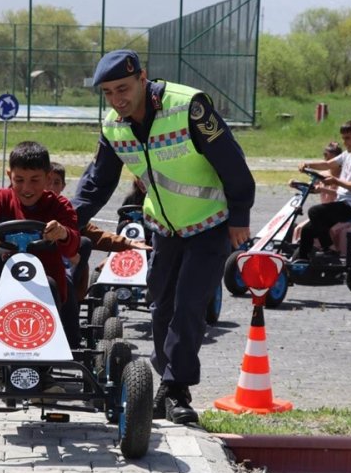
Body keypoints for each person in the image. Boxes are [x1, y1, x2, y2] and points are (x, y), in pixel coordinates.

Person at [71, 49, 255, 425]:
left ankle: (176, 389)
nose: (116, 99)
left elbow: (232, 162)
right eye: (107, 93)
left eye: (122, 88)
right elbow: (96, 183)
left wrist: (239, 215)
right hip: (163, 228)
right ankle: (168, 384)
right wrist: (64, 220)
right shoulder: (114, 125)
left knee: (189, 305)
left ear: (143, 78)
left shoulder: (190, 108)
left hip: (210, 223)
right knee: (160, 305)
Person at [0, 141, 82, 348]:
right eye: (19, 180)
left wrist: (62, 233)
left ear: (47, 178)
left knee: (51, 284)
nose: (27, 188)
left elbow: (73, 245)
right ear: (10, 176)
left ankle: (51, 345)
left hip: (46, 281)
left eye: (35, 180)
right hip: (4, 276)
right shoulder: (1, 199)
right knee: (0, 267)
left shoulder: (58, 206)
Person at [47, 162, 151, 300]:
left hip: (150, 245)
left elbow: (97, 235)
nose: (51, 187)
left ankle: (70, 296)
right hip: (36, 265)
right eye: (47, 182)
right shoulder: (131, 199)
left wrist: (126, 243)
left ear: (63, 186)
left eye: (56, 183)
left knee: (84, 243)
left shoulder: (69, 210)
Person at [292, 120, 351, 264]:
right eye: (343, 139)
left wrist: (336, 181)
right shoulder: (349, 154)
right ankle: (302, 261)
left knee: (315, 212)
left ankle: (329, 250)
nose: (345, 142)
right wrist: (307, 164)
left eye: (348, 138)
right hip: (344, 202)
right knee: (307, 229)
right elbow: (327, 164)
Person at [292, 141, 342, 247]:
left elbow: (344, 195)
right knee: (299, 228)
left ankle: (334, 252)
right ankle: (300, 253)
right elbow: (312, 189)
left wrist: (324, 190)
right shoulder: (322, 175)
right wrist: (296, 184)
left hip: (341, 213)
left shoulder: (345, 176)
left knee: (329, 230)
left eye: (328, 156)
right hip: (324, 213)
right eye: (324, 156)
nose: (326, 159)